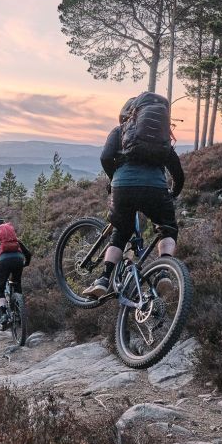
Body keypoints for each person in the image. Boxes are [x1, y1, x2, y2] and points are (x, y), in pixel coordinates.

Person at [82, 94, 185, 298]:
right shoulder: (162, 137)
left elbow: (105, 157)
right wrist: (173, 193)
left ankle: (104, 279)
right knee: (168, 229)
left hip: (123, 187)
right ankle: (164, 272)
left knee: (121, 232)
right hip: (155, 188)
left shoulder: (120, 131)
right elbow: (178, 173)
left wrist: (114, 180)